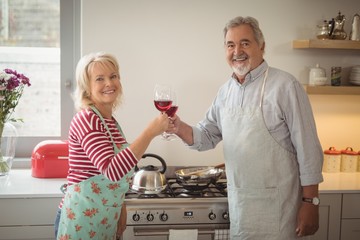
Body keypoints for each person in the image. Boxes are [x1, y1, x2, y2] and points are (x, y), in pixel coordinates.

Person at [169, 16, 324, 239]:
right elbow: (207, 136)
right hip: (241, 206)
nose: (237, 51)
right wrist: (178, 126)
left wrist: (311, 202)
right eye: (230, 45)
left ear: (262, 46)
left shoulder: (285, 86)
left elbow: (308, 149)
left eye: (245, 43)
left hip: (279, 208)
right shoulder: (225, 92)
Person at [54, 52, 169, 239]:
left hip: (104, 218)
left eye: (113, 76)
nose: (109, 83)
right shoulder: (88, 119)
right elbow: (112, 170)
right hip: (81, 220)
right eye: (100, 79)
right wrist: (150, 132)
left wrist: (120, 204)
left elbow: (113, 173)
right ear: (87, 87)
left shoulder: (110, 122)